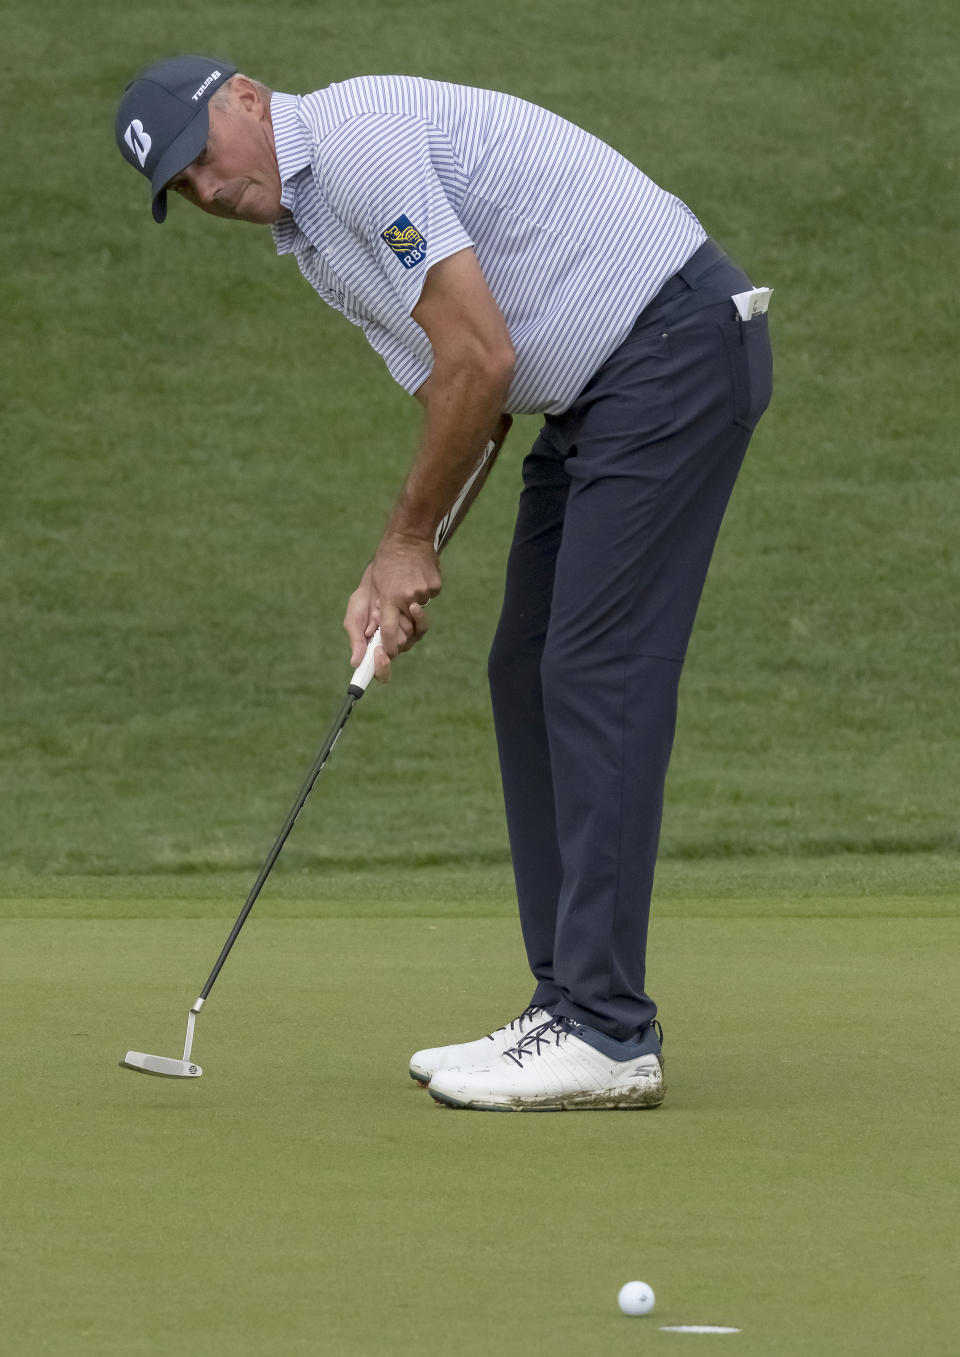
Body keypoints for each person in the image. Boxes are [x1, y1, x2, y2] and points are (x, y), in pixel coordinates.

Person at [116, 55, 773, 1112]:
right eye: (182, 191)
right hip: (600, 395)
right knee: (526, 669)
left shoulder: (360, 142)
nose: (208, 190)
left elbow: (480, 360)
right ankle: (567, 1002)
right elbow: (466, 405)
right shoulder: (320, 245)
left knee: (592, 669)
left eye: (201, 158)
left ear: (243, 96)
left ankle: (608, 1031)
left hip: (675, 349)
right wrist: (401, 567)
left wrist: (404, 541)